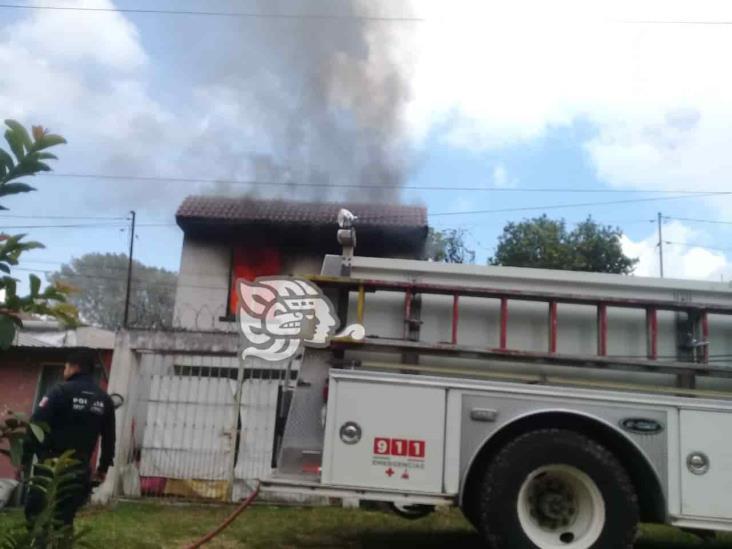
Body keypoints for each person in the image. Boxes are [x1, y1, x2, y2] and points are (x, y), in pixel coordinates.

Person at [24, 349, 116, 528]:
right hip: (78, 468)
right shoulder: (104, 399)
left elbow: (35, 425)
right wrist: (103, 468)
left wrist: (25, 458)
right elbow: (109, 438)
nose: (63, 371)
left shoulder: (59, 391)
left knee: (35, 515)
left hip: (50, 467)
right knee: (64, 518)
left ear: (74, 367)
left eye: (65, 367)